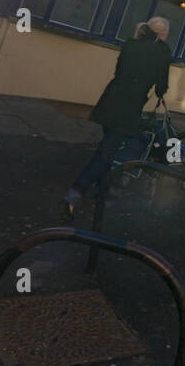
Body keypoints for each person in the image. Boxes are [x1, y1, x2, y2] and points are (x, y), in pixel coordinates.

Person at [59, 16, 172, 222]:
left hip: (110, 100)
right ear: (162, 34)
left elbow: (119, 71)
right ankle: (74, 194)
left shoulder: (130, 43)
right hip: (128, 109)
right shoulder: (163, 52)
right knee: (106, 152)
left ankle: (102, 194)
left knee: (108, 149)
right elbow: (161, 87)